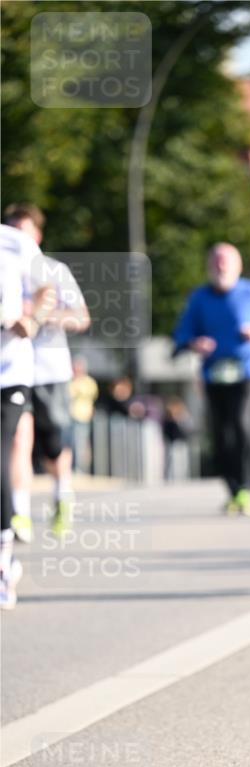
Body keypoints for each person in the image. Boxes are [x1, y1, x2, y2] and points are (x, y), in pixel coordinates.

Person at [4, 203, 90, 538]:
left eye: (21, 232)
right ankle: (19, 513)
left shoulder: (54, 271)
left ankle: (61, 494)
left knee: (54, 443)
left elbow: (82, 317)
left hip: (49, 369)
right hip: (13, 371)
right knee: (18, 439)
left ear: (36, 236)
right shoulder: (4, 270)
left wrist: (40, 317)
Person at [172, 243, 250, 515]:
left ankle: (247, 487)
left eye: (226, 262)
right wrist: (195, 343)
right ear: (209, 266)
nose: (221, 267)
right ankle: (233, 490)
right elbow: (181, 337)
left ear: (237, 266)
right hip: (213, 374)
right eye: (216, 262)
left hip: (247, 371)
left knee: (242, 424)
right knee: (220, 433)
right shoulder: (199, 298)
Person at [0, 222, 47, 607]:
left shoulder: (16, 243)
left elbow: (47, 291)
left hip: (8, 373)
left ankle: (3, 559)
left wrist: (31, 319)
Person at [69, 356, 99, 474]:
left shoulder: (88, 382)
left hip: (83, 417)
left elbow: (90, 395)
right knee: (70, 443)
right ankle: (71, 468)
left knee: (80, 443)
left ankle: (79, 469)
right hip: (70, 416)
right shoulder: (70, 380)